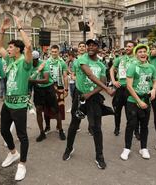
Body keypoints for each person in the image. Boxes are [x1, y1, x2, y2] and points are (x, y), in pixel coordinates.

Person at [62, 39, 114, 169]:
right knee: (74, 125)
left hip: (93, 99)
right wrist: (107, 89)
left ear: (98, 48)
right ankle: (69, 148)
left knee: (96, 128)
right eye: (88, 45)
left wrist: (91, 94)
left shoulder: (101, 65)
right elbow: (90, 75)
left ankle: (99, 156)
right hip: (80, 98)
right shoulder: (82, 59)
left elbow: (102, 82)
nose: (90, 47)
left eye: (94, 45)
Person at [0, 15, 33, 181]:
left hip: (19, 105)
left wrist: (20, 27)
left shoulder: (25, 62)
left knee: (22, 135)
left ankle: (22, 164)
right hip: (7, 103)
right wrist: (2, 31)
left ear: (17, 49)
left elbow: (29, 45)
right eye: (8, 47)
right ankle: (13, 153)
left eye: (11, 47)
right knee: (4, 130)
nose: (8, 49)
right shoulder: (10, 60)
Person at [120, 44, 156, 160]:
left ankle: (144, 148)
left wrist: (154, 90)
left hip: (146, 101)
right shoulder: (132, 66)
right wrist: (138, 101)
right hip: (133, 101)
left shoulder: (151, 67)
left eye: (144, 51)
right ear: (136, 55)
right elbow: (129, 86)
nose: (142, 54)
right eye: (140, 52)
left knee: (144, 125)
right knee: (131, 125)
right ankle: (126, 149)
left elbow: (155, 81)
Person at [110, 41, 138, 136]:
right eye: (126, 46)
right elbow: (111, 69)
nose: (127, 48)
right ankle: (117, 128)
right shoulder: (120, 58)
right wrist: (114, 81)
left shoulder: (137, 59)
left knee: (132, 112)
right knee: (117, 110)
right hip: (120, 88)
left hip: (131, 89)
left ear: (134, 48)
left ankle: (135, 131)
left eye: (130, 46)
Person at [29, 51, 56, 142]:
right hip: (38, 90)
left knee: (53, 109)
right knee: (39, 110)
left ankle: (60, 129)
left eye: (32, 60)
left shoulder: (44, 64)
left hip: (48, 88)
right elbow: (29, 81)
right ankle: (42, 133)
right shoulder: (28, 66)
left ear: (36, 59)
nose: (30, 62)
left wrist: (33, 81)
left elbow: (46, 80)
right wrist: (29, 92)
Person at [43, 45, 68, 140]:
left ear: (58, 52)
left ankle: (59, 127)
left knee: (59, 108)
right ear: (50, 52)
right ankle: (47, 126)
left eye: (55, 51)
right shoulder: (46, 62)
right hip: (48, 88)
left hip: (59, 87)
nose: (54, 53)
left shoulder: (62, 63)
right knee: (47, 108)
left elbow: (65, 76)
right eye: (52, 51)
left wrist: (66, 89)